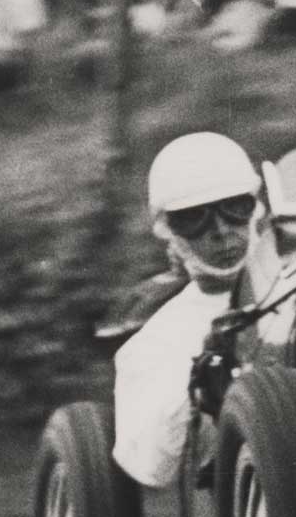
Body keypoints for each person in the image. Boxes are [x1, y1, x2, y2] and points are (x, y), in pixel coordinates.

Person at [113, 133, 265, 495]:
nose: (222, 231)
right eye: (194, 218)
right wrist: (199, 387)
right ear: (169, 231)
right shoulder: (156, 341)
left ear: (255, 207)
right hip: (251, 498)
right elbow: (151, 466)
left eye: (235, 208)